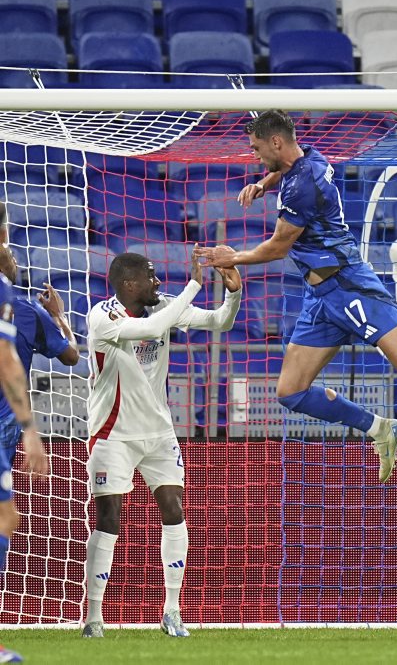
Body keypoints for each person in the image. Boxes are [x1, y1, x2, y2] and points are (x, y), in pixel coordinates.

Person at [194, 110, 397, 484]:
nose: (253, 155)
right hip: (320, 297)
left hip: (350, 287)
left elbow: (278, 247)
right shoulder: (309, 158)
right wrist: (263, 184)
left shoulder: (304, 185)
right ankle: (381, 428)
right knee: (290, 392)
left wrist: (231, 256)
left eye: (256, 149)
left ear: (276, 142)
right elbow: (286, 171)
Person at [81, 249, 241, 639]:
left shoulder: (166, 305)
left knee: (174, 508)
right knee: (109, 519)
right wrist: (195, 284)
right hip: (112, 434)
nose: (157, 282)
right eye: (151, 277)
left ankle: (172, 611)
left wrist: (232, 294)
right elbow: (153, 330)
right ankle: (94, 618)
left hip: (159, 433)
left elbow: (219, 321)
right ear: (129, 284)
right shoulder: (102, 317)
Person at [0, 267, 49, 664]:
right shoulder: (10, 294)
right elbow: (7, 359)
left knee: (6, 518)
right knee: (4, 519)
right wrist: (30, 429)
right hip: (3, 429)